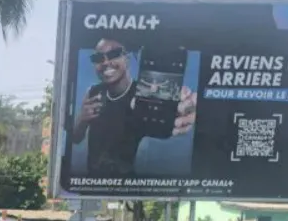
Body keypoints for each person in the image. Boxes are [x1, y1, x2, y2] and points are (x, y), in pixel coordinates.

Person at [70, 37, 197, 177]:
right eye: (98, 57)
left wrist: (178, 114)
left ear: (128, 59)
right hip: (90, 184)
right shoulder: (93, 92)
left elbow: (161, 131)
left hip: (126, 184)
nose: (105, 62)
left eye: (114, 54)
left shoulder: (142, 94)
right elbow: (75, 138)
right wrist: (82, 118)